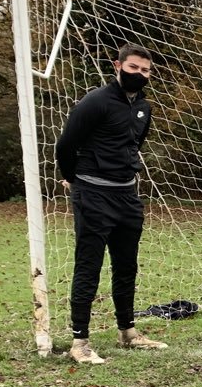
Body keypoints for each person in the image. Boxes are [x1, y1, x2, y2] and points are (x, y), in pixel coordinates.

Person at [55, 43, 167, 364]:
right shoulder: (96, 101)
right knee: (89, 266)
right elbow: (66, 144)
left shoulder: (144, 107)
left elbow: (133, 145)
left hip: (127, 196)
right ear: (117, 66)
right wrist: (71, 176)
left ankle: (128, 333)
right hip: (93, 194)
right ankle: (80, 342)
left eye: (145, 70)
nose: (140, 74)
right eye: (134, 68)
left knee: (126, 264)